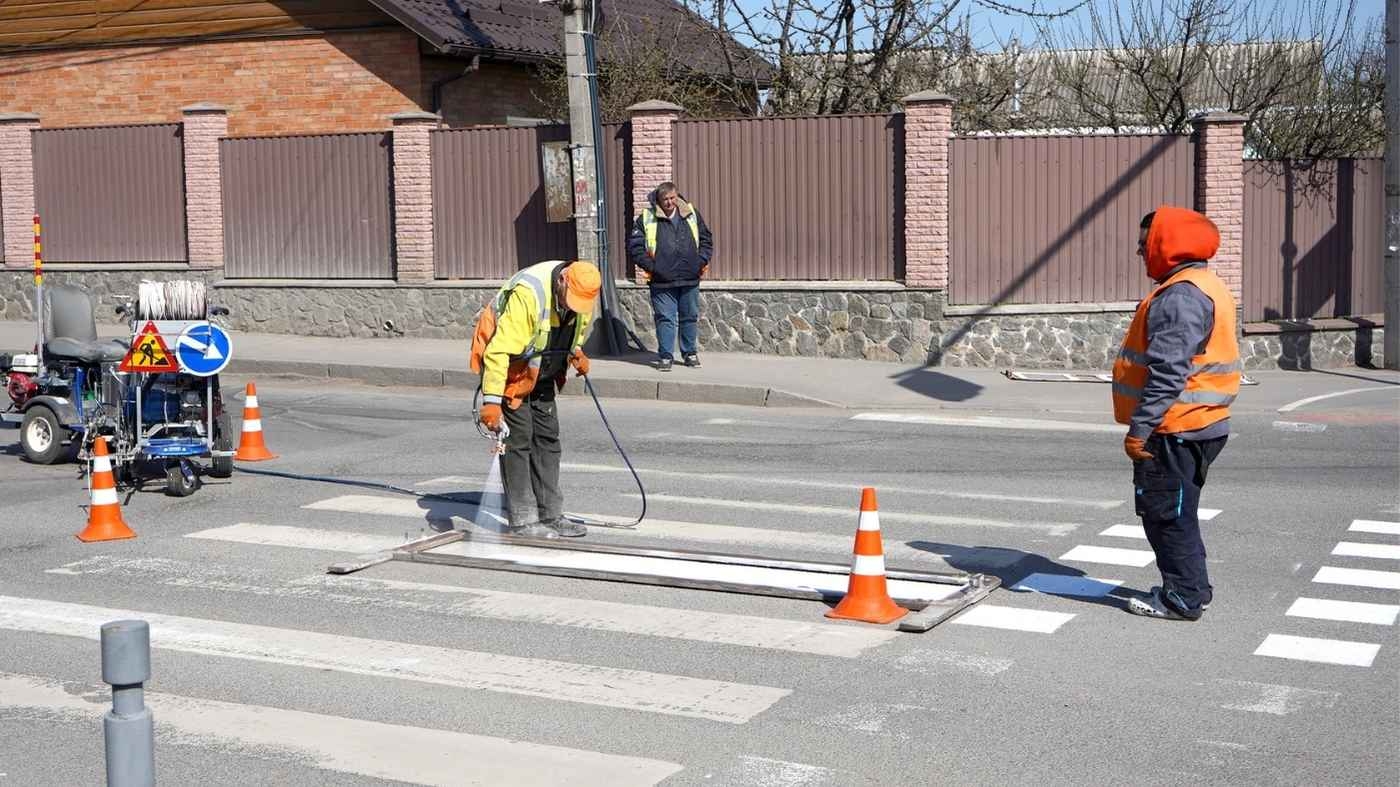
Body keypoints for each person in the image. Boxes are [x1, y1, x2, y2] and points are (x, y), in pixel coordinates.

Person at [1113, 206, 1241, 621]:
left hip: (1175, 428)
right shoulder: (1203, 283)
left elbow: (1169, 373)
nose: (1139, 251)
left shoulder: (1181, 295)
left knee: (1166, 515)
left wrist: (1140, 429)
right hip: (1199, 423)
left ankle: (1182, 598)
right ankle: (1192, 588)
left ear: (1167, 244)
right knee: (1178, 511)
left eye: (1145, 242)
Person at [469, 260, 600, 539]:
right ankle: (523, 519)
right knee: (519, 439)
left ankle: (551, 514)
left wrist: (574, 351)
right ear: (562, 281)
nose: (574, 306)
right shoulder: (529, 294)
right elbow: (498, 352)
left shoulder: (582, 295)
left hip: (541, 368)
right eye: (570, 299)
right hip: (510, 369)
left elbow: (574, 327)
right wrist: (491, 401)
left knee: (548, 439)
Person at [627, 181, 713, 372]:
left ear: (677, 196)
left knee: (689, 316)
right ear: (658, 200)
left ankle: (690, 353)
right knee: (665, 318)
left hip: (689, 278)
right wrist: (653, 267)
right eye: (665, 199)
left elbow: (706, 239)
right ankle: (666, 356)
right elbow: (635, 247)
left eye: (672, 198)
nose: (669, 202)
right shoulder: (646, 218)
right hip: (661, 281)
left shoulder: (691, 213)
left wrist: (699, 262)